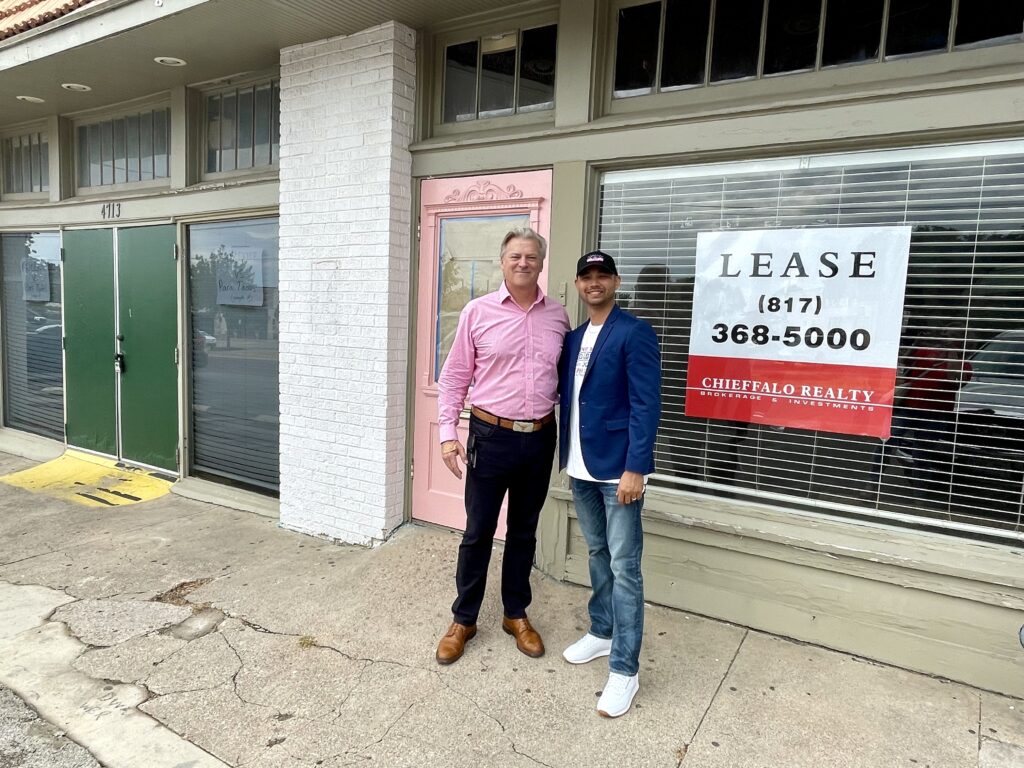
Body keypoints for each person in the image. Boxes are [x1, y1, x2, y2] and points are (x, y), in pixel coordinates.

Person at [434, 227, 570, 665]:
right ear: (503, 260)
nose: (523, 263)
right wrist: (446, 435)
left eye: (531, 256)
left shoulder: (559, 317)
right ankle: (464, 618)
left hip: (539, 437)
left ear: (541, 262)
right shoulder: (478, 312)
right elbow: (455, 377)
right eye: (515, 256)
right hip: (490, 437)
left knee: (524, 532)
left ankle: (516, 613)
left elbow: (567, 383)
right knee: (477, 532)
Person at [558, 250, 661, 718]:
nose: (594, 283)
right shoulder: (575, 337)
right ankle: (602, 633)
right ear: (578, 285)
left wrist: (636, 467)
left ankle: (625, 669)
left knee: (625, 567)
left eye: (603, 276)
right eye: (587, 276)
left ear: (616, 282)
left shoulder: (634, 332)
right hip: (581, 468)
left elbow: (646, 403)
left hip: (617, 471)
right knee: (598, 555)